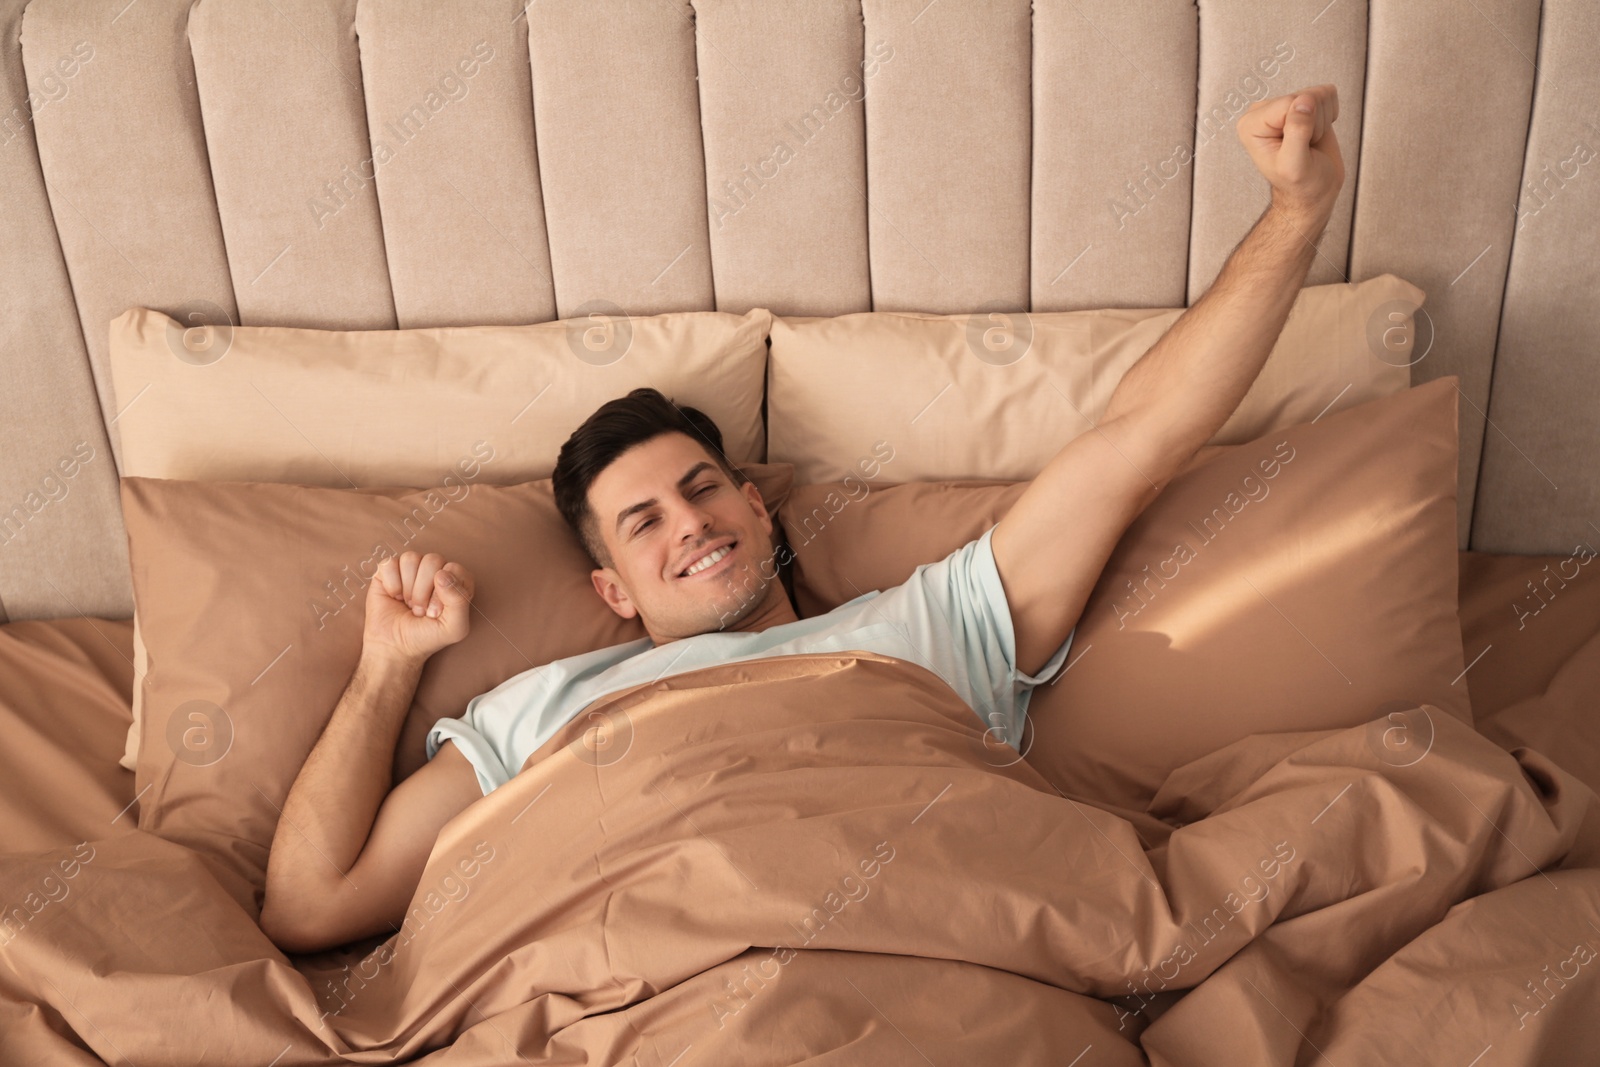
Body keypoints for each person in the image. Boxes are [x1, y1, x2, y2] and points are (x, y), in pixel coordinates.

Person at [260, 84, 1345, 954]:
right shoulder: (539, 710)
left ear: (754, 507)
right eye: (640, 523)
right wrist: (385, 666)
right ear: (611, 592)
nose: (685, 522)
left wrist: (1294, 214)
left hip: (930, 945)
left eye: (699, 487)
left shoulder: (931, 623)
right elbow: (312, 906)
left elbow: (1137, 441)